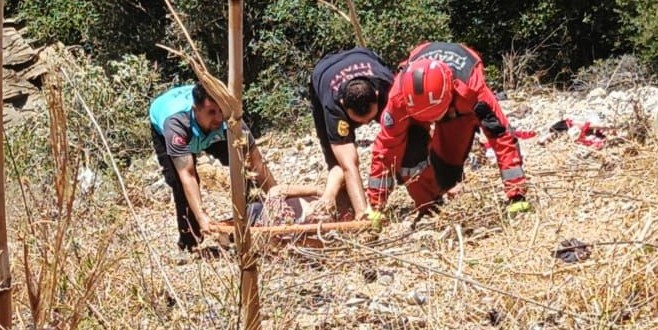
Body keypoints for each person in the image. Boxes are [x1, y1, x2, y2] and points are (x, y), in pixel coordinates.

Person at [367, 42, 531, 219]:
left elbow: (500, 136)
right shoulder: (399, 98)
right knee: (410, 147)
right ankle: (429, 205)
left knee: (447, 172)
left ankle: (446, 185)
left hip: (457, 112)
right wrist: (375, 204)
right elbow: (386, 148)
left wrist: (516, 194)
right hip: (420, 109)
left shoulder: (473, 90)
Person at [149, 82, 276, 252]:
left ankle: (251, 218)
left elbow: (256, 163)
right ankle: (190, 241)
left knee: (242, 166)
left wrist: (278, 199)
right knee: (179, 184)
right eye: (211, 112)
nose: (218, 117)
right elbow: (188, 174)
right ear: (196, 109)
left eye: (220, 111)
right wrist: (202, 216)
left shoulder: (230, 119)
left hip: (213, 134)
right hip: (171, 129)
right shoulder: (175, 124)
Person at [309, 47, 394, 223]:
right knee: (337, 159)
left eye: (370, 118)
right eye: (359, 120)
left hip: (364, 56)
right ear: (342, 105)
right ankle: (338, 203)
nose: (365, 124)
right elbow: (348, 164)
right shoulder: (333, 104)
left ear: (377, 95)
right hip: (324, 72)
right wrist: (363, 214)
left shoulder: (387, 87)